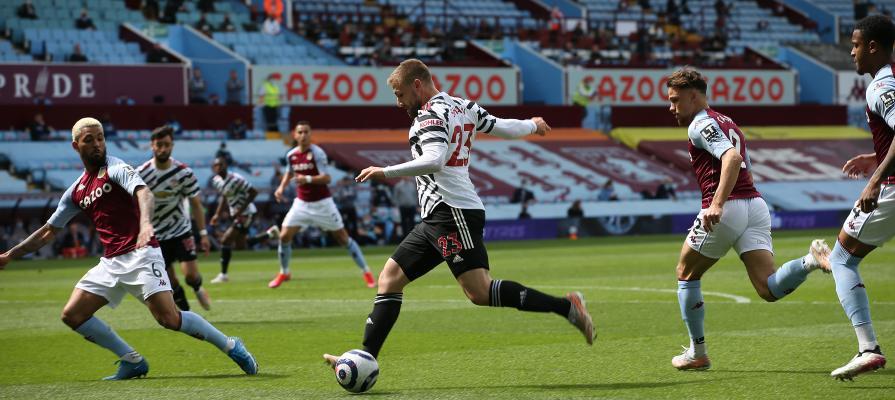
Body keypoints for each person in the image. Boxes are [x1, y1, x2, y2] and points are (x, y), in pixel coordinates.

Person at [323, 59, 595, 368]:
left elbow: (435, 160)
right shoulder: (461, 105)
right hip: (435, 218)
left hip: (453, 213)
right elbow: (501, 125)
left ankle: (567, 307)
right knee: (390, 278)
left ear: (417, 85)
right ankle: (365, 358)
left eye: (400, 94)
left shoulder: (428, 116)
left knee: (479, 292)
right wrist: (532, 124)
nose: (399, 103)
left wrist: (384, 171)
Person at [0, 117, 257, 380]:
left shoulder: (116, 168)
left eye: (100, 138)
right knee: (72, 315)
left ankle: (230, 345)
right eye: (89, 140)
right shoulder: (76, 191)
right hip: (111, 262)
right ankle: (132, 360)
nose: (98, 144)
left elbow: (144, 193)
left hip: (142, 254)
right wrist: (10, 255)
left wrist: (145, 223)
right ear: (76, 146)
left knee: (169, 319)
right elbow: (48, 231)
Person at [664, 67, 831, 371]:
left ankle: (698, 353)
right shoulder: (727, 121)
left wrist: (716, 204)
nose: (671, 108)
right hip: (755, 204)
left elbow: (732, 159)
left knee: (686, 273)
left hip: (727, 207)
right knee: (768, 289)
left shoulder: (699, 125)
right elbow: (743, 164)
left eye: (675, 100)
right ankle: (810, 261)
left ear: (693, 95)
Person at [824, 14, 895, 380]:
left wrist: (875, 179)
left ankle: (868, 348)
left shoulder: (881, 86)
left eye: (854, 45)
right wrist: (876, 155)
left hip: (893, 188)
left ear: (872, 47)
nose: (850, 53)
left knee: (841, 259)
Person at [271, 121, 374, 288]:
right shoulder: (291, 155)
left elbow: (327, 178)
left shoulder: (317, 153)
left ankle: (366, 272)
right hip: (302, 204)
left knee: (343, 238)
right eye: (300, 132)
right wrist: (281, 188)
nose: (303, 135)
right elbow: (289, 172)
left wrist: (307, 179)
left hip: (323, 204)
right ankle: (284, 272)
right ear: (295, 135)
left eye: (306, 132)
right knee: (284, 236)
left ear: (310, 135)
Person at [137, 126, 212, 312]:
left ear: (173, 145)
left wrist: (203, 233)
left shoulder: (184, 173)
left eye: (167, 145)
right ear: (151, 146)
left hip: (180, 230)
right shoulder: (141, 174)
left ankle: (197, 287)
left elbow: (196, 204)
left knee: (191, 276)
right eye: (159, 145)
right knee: (169, 281)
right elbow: (135, 205)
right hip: (156, 236)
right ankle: (187, 315)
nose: (163, 149)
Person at [208, 157, 278, 283]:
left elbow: (254, 192)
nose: (219, 167)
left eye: (221, 165)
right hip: (237, 214)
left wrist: (240, 211)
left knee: (225, 240)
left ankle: (223, 275)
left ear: (226, 165)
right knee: (241, 246)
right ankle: (269, 234)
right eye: (216, 166)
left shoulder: (236, 179)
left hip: (247, 213)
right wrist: (217, 214)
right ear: (213, 168)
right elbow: (224, 196)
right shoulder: (216, 181)